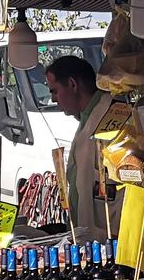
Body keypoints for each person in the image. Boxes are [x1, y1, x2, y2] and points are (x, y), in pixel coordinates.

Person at [46, 55, 112, 244]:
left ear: (73, 84)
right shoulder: (87, 117)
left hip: (109, 235)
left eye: (55, 91)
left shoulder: (109, 114)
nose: (53, 99)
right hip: (88, 235)